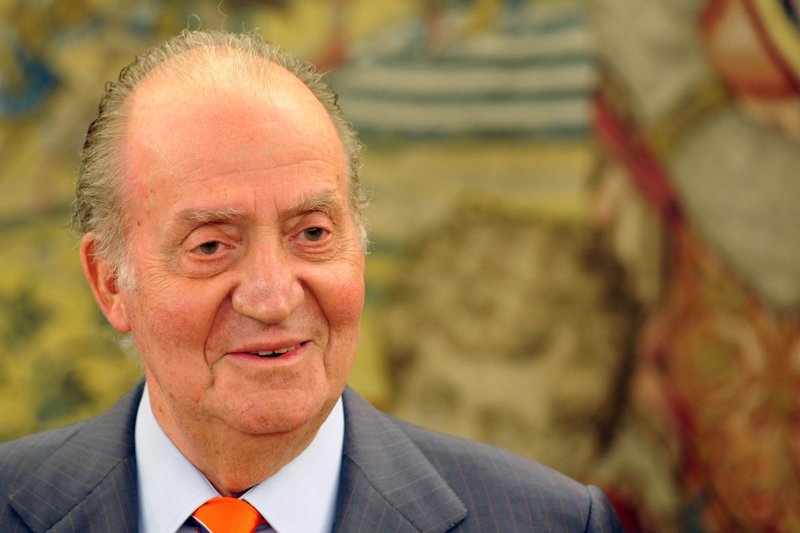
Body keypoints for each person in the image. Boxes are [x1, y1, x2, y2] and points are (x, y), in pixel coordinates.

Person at [0, 30, 623, 532]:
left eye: (313, 234)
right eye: (212, 246)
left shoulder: (551, 522)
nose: (274, 297)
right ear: (110, 281)